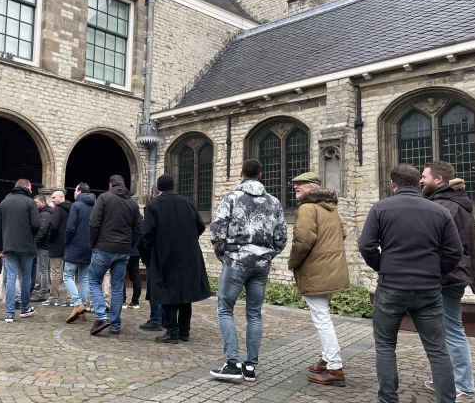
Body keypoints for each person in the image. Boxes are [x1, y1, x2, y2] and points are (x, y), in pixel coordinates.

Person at [358, 163, 462, 403]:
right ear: (418, 183)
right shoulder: (439, 211)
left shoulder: (381, 208)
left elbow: (366, 245)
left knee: (385, 346)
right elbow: (454, 252)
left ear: (393, 185)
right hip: (428, 289)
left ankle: (388, 399)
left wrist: (382, 266)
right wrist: (436, 272)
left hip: (391, 286)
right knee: (437, 350)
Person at [209, 159, 287, 383]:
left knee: (225, 310)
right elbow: (281, 237)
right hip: (261, 265)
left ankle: (232, 364)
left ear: (241, 174)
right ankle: (250, 367)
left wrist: (225, 255)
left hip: (236, 261)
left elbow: (217, 231)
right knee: (254, 314)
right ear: (261, 176)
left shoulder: (231, 199)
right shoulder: (273, 202)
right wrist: (266, 254)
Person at [421, 161, 475, 401]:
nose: (421, 180)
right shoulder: (454, 203)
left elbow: (445, 247)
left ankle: (464, 385)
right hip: (450, 275)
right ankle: (447, 378)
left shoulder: (445, 206)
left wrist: (437, 272)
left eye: (424, 176)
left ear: (438, 180)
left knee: (452, 329)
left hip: (447, 277)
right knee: (443, 329)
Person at [287, 172, 349, 386]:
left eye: (300, 184)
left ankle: (334, 367)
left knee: (322, 319)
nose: (296, 187)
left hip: (315, 270)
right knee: (323, 315)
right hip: (332, 268)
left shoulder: (307, 208)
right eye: (295, 184)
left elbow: (302, 240)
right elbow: (343, 232)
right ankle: (326, 359)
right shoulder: (330, 207)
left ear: (313, 186)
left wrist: (293, 262)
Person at [142, 175, 210, 344]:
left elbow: (147, 234)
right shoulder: (187, 202)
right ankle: (184, 331)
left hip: (166, 255)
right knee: (185, 293)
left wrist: (153, 250)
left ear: (159, 188)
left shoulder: (154, 205)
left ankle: (172, 332)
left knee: (168, 292)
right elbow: (200, 226)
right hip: (189, 255)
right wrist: (189, 240)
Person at [87, 175, 142, 336]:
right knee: (118, 287)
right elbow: (137, 228)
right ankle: (115, 324)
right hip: (123, 250)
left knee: (94, 280)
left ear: (110, 185)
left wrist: (93, 242)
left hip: (104, 247)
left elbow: (94, 223)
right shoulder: (132, 203)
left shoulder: (104, 198)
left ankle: (102, 316)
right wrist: (129, 245)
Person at [0, 179, 40, 323]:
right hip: (27, 245)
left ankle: (9, 313)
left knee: (11, 278)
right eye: (31, 188)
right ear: (27, 187)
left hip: (9, 246)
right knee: (25, 278)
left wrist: (0, 247)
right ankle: (24, 308)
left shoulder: (4, 203)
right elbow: (36, 225)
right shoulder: (30, 202)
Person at [64, 183, 95, 322]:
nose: (74, 192)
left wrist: (67, 241)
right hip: (89, 246)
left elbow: (70, 227)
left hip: (75, 245)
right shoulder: (95, 206)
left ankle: (77, 304)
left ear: (80, 191)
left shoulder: (76, 206)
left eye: (75, 190)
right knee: (84, 278)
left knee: (67, 275)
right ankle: (82, 310)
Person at [139, 185, 164, 332]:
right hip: (166, 253)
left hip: (154, 254)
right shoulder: (172, 206)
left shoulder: (152, 206)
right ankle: (163, 317)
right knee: (163, 285)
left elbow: (147, 232)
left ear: (154, 193)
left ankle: (156, 319)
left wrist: (145, 248)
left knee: (154, 286)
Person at [44, 191, 70, 306]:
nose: (52, 199)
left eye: (54, 197)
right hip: (69, 244)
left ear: (61, 197)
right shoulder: (72, 208)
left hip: (57, 244)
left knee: (55, 272)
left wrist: (50, 239)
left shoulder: (58, 210)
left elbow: (53, 226)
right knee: (69, 272)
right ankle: (70, 298)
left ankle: (53, 297)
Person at [33, 195, 53, 302]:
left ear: (42, 202)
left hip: (43, 246)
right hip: (46, 245)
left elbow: (42, 231)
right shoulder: (46, 213)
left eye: (36, 202)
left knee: (43, 270)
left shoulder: (45, 214)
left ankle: (42, 293)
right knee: (46, 269)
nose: (34, 205)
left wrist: (35, 243)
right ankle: (45, 288)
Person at [122, 240, 141, 309]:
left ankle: (122, 300)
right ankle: (135, 301)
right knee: (136, 277)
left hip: (125, 250)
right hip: (136, 251)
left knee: (121, 276)